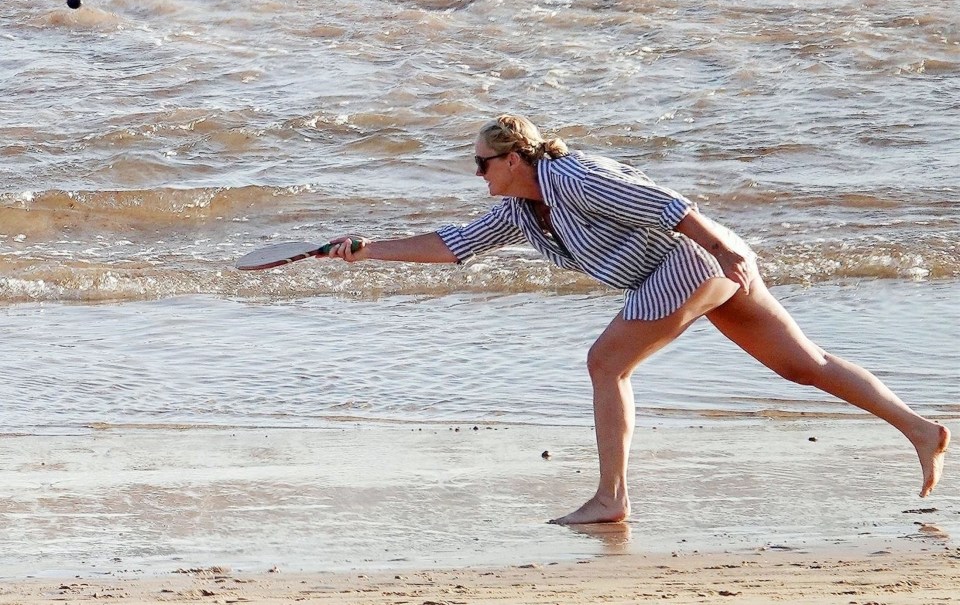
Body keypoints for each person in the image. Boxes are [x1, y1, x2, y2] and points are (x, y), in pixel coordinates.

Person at [325, 114, 950, 525]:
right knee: (801, 366)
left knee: (606, 362)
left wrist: (728, 252)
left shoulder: (573, 176)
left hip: (695, 262)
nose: (477, 173)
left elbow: (668, 204)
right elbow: (453, 243)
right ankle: (921, 430)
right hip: (703, 267)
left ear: (514, 158)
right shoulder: (522, 209)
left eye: (482, 163)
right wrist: (366, 250)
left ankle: (611, 499)